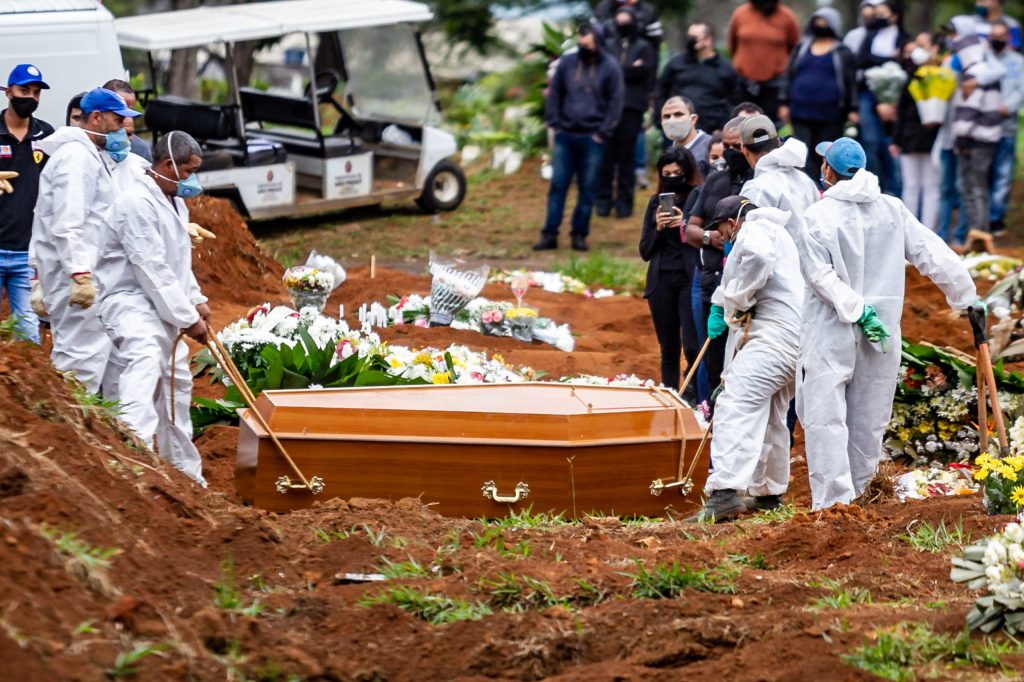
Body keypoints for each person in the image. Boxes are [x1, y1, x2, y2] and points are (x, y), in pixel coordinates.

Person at [799, 137, 979, 510]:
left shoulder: (817, 216)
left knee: (826, 416)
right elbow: (932, 252)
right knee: (869, 414)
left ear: (828, 170)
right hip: (881, 331)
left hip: (832, 328)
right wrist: (966, 295)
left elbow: (819, 276)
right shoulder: (891, 209)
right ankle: (862, 493)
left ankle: (835, 505)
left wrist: (853, 307)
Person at [94, 131, 209, 485]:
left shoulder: (175, 199)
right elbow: (150, 267)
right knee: (143, 365)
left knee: (177, 385)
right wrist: (188, 318)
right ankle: (133, 463)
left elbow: (178, 264)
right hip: (129, 302)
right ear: (166, 164)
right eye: (187, 171)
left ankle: (185, 475)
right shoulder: (135, 203)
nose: (191, 180)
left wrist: (197, 299)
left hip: (160, 306)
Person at [687, 195, 804, 521]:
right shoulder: (779, 233)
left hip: (775, 341)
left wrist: (732, 300)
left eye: (723, 233)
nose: (723, 240)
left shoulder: (755, 230)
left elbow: (757, 259)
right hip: (794, 342)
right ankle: (767, 493)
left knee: (735, 404)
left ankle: (724, 493)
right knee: (770, 415)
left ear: (731, 223)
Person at [30, 87, 140, 394]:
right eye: (118, 121)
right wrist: (80, 274)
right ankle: (66, 431)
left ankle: (86, 433)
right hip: (78, 281)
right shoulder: (76, 159)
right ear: (96, 118)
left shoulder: (92, 157)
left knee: (95, 359)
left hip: (90, 278)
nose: (122, 129)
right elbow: (67, 224)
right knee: (79, 362)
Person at [535, 22, 624, 252]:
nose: (584, 47)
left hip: (592, 138)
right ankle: (549, 234)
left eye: (589, 43)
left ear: (598, 42)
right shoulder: (567, 62)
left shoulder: (611, 67)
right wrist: (554, 123)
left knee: (588, 188)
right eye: (581, 43)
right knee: (558, 186)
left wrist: (602, 133)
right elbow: (555, 93)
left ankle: (579, 234)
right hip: (565, 135)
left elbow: (616, 102)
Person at [683, 117, 753, 397]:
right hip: (711, 279)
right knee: (707, 355)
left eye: (737, 145)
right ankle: (704, 414)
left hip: (747, 286)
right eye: (726, 145)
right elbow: (690, 229)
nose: (731, 151)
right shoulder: (714, 181)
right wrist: (711, 237)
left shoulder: (759, 184)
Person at [638, 146, 702, 398]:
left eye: (677, 173)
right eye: (667, 173)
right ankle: (669, 396)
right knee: (668, 347)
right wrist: (658, 227)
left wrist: (684, 225)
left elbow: (701, 243)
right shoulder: (656, 202)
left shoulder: (696, 198)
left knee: (692, 345)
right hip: (661, 279)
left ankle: (695, 395)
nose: (672, 178)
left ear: (687, 173)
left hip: (689, 278)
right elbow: (645, 251)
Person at [0, 64, 54, 343]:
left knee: (29, 337)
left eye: (35, 93)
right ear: (8, 92)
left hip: (28, 253)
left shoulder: (46, 136)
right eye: (23, 91)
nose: (30, 98)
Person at [778, 8, 858, 178]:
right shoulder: (801, 48)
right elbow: (789, 75)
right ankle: (804, 189)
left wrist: (853, 108)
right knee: (801, 153)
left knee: (824, 153)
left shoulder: (842, 51)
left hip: (831, 114)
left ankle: (823, 188)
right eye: (817, 21)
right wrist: (784, 102)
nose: (820, 25)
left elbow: (850, 81)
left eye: (825, 22)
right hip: (800, 111)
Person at [596, 6, 656, 219]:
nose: (623, 25)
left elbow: (646, 73)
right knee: (605, 157)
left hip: (632, 108)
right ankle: (603, 201)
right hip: (607, 110)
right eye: (618, 21)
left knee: (626, 158)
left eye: (626, 21)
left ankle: (624, 204)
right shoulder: (607, 46)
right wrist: (630, 69)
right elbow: (603, 73)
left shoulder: (644, 47)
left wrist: (620, 70)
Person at [951, 31, 1006, 251]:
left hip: (974, 140)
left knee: (972, 187)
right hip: (987, 137)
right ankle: (980, 232)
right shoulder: (987, 73)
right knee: (978, 187)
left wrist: (961, 138)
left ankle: (979, 233)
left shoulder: (974, 74)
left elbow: (969, 110)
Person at [852, 0, 909, 197]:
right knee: (871, 142)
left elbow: (904, 63)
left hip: (895, 98)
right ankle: (873, 187)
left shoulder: (903, 38)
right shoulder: (871, 35)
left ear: (894, 15)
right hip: (869, 94)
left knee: (890, 146)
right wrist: (888, 60)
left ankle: (894, 191)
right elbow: (860, 60)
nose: (878, 18)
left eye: (882, 13)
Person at [737, 114, 820, 244]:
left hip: (779, 263)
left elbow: (752, 247)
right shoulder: (805, 181)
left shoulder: (756, 189)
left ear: (743, 149)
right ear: (778, 142)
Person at [891, 34, 943, 231]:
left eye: (922, 46)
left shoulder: (940, 75)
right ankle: (909, 230)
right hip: (909, 138)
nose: (916, 51)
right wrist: (896, 140)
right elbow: (901, 111)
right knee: (911, 186)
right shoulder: (908, 77)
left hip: (932, 139)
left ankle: (929, 229)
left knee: (931, 186)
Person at [655, 22, 737, 135]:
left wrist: (722, 127)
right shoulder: (675, 64)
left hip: (711, 131)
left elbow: (734, 100)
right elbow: (661, 92)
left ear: (708, 40)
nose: (690, 40)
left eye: (694, 38)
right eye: (689, 37)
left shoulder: (725, 68)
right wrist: (662, 120)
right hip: (676, 129)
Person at [726, 0, 801, 122]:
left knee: (770, 126)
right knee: (741, 124)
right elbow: (732, 44)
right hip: (744, 84)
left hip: (775, 86)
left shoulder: (786, 17)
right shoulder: (740, 14)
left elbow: (795, 49)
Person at [988, 20, 1024, 237]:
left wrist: (1006, 107)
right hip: (982, 128)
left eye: (1001, 36)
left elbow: (1021, 91)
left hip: (1006, 126)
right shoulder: (985, 58)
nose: (997, 40)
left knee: (1002, 173)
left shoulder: (1018, 62)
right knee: (985, 174)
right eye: (994, 35)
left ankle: (996, 218)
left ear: (1008, 38)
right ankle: (982, 218)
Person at [102, 79, 152, 162]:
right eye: (119, 112)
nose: (126, 117)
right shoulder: (88, 148)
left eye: (130, 110)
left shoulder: (140, 150)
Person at [661, 96, 711, 176]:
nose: (671, 121)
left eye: (678, 114)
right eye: (666, 116)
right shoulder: (668, 154)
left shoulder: (710, 148)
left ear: (693, 119)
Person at [953, 0, 1023, 50]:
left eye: (983, 1)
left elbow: (1015, 48)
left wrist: (1000, 40)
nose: (978, 4)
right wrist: (990, 30)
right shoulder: (972, 22)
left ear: (996, 2)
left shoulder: (1011, 25)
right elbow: (955, 23)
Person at [594, 0, 663, 49]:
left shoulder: (647, 11)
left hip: (640, 60)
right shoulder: (603, 8)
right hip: (610, 60)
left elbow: (655, 44)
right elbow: (596, 39)